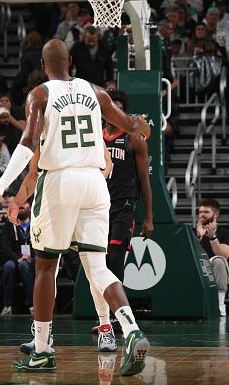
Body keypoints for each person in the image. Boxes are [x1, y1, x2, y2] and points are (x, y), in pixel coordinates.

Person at [0, 39, 151, 376]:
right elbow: (130, 124)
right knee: (98, 268)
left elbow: (28, 143)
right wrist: (141, 126)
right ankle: (132, 330)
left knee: (46, 266)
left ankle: (43, 350)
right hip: (95, 183)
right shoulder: (97, 92)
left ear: (45, 67)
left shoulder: (40, 95)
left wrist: (1, 189)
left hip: (60, 181)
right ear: (72, 62)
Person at [96, 90, 154, 343]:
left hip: (124, 205)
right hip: (98, 206)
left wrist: (148, 216)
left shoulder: (133, 140)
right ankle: (105, 321)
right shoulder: (95, 137)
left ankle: (118, 317)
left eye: (118, 109)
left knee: (116, 257)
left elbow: (145, 180)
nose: (113, 113)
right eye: (110, 109)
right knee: (99, 262)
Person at [0, 201, 35, 316]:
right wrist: (18, 258)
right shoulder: (9, 225)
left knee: (24, 266)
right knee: (8, 266)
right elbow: (5, 246)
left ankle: (31, 304)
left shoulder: (36, 223)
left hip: (32, 258)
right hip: (15, 258)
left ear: (30, 207)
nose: (21, 206)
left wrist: (30, 257)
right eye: (19, 203)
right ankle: (7, 305)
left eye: (24, 203)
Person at [195, 199, 229, 316]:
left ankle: (220, 304)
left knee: (219, 261)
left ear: (215, 215)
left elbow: (224, 255)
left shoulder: (224, 232)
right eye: (200, 212)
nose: (202, 215)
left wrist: (212, 237)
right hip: (196, 266)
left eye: (206, 212)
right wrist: (200, 237)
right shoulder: (192, 231)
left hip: (213, 268)